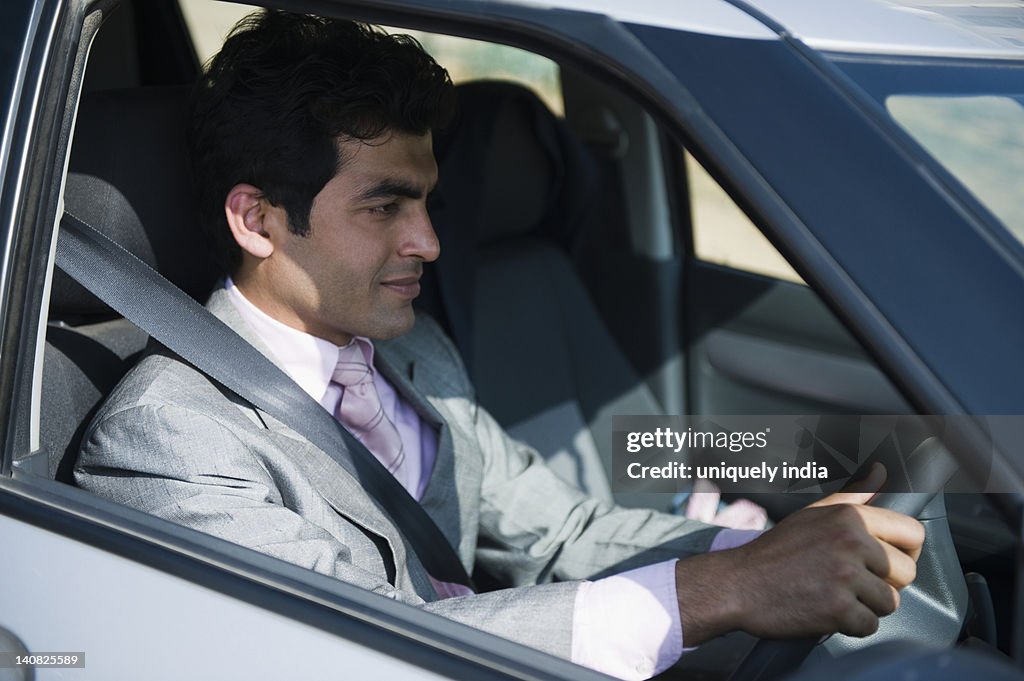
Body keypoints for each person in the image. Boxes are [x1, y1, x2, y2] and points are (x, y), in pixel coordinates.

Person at [74, 10, 924, 680]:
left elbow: (558, 535)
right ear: (257, 220)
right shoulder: (170, 437)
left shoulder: (417, 357)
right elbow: (366, 646)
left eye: (428, 203)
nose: (430, 243)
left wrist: (771, 550)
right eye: (384, 207)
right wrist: (730, 587)